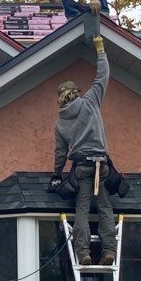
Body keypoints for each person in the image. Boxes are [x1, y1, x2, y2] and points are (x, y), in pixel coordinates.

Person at [49, 17, 116, 265]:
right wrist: (100, 50)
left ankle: (83, 253)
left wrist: (57, 174)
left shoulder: (60, 122)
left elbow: (59, 153)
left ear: (61, 99)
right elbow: (103, 75)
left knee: (82, 210)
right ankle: (109, 250)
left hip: (81, 167)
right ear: (76, 92)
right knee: (106, 207)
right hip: (102, 164)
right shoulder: (90, 102)